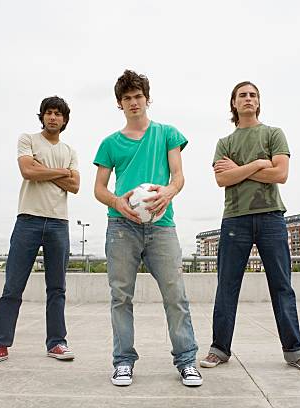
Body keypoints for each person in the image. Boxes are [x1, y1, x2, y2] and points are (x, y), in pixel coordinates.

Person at [199, 81, 300, 373]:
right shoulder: (224, 142)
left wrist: (240, 169)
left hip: (271, 218)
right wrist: (257, 165)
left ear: (259, 102)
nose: (248, 99)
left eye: (253, 95)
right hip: (235, 219)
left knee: (281, 286)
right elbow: (222, 180)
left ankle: (295, 352)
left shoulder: (273, 133)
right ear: (234, 103)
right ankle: (219, 349)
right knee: (227, 286)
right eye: (243, 95)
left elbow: (280, 173)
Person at [93, 70, 202, 387]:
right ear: (119, 104)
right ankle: (123, 362)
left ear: (147, 98)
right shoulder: (110, 143)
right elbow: (99, 189)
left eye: (138, 96)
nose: (133, 102)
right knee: (120, 298)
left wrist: (168, 192)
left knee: (175, 296)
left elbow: (178, 176)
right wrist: (117, 202)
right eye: (126, 98)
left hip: (162, 227)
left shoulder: (167, 133)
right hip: (121, 227)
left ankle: (186, 361)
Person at [0, 96, 80, 366]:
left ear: (64, 120)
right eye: (48, 113)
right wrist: (61, 173)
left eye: (58, 114)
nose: (53, 117)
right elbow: (27, 171)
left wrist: (43, 169)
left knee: (57, 288)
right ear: (42, 116)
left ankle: (57, 342)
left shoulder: (69, 150)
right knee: (13, 286)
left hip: (59, 222)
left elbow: (75, 185)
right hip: (28, 220)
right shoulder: (28, 139)